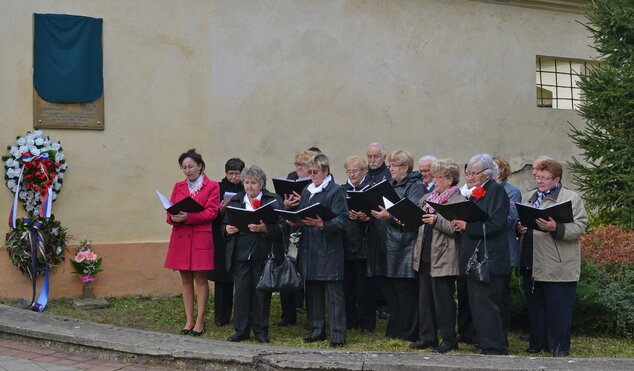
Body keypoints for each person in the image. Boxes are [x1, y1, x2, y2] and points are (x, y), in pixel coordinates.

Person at [517, 160, 587, 356]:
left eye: (544, 178)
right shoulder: (530, 196)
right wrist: (519, 227)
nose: (539, 181)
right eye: (537, 177)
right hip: (531, 261)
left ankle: (558, 347)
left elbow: (580, 227)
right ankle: (537, 343)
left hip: (557, 265)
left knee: (558, 310)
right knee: (536, 308)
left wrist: (557, 228)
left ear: (557, 179)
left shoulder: (571, 198)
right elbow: (523, 220)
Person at [451, 154, 510, 355]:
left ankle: (495, 346)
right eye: (467, 173)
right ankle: (484, 342)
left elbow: (496, 224)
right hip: (475, 256)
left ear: (487, 174)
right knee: (478, 304)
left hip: (490, 258)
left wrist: (467, 225)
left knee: (488, 304)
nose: (469, 177)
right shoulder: (474, 192)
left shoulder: (496, 191)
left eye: (473, 173)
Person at [223, 165, 288, 343]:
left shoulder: (273, 200)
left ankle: (261, 331)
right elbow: (224, 224)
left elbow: (284, 226)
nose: (249, 186)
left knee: (261, 294)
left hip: (263, 254)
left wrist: (265, 228)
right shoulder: (236, 200)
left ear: (261, 184)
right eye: (246, 182)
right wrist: (227, 229)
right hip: (240, 253)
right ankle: (241, 330)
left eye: (253, 183)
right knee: (242, 293)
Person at [371, 150, 426, 341]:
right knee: (390, 290)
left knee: (405, 292)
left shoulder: (415, 186)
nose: (391, 169)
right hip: (386, 243)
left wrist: (390, 216)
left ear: (405, 167)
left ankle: (409, 331)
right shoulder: (389, 185)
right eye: (390, 165)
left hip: (405, 245)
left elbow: (412, 215)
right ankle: (394, 328)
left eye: (394, 165)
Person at [164, 149, 219, 336]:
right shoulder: (178, 186)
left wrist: (189, 217)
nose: (187, 170)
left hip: (200, 236)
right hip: (181, 236)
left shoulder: (211, 186)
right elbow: (169, 211)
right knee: (185, 279)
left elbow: (212, 212)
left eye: (191, 166)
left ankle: (201, 319)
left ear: (200, 166)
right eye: (184, 167)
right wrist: (173, 218)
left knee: (201, 280)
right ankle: (189, 319)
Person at [412, 159, 464, 353]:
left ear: (450, 179)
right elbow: (417, 220)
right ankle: (428, 337)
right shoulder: (428, 197)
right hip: (425, 254)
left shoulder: (458, 200)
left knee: (443, 301)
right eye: (433, 176)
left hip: (444, 257)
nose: (434, 181)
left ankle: (449, 339)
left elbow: (456, 228)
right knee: (425, 300)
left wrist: (436, 220)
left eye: (437, 177)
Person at [296, 154, 348, 347]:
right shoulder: (306, 191)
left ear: (326, 171)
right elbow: (302, 215)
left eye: (315, 172)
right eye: (309, 172)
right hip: (310, 247)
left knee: (333, 294)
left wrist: (323, 224)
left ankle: (338, 335)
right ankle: (316, 330)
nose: (312, 175)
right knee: (313, 291)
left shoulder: (335, 191)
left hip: (329, 248)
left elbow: (342, 219)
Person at [208, 158, 245, 327]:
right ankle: (221, 317)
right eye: (231, 173)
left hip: (241, 236)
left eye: (237, 173)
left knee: (240, 279)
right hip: (222, 237)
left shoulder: (247, 187)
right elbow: (212, 215)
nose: (234, 177)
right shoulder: (218, 187)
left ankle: (240, 315)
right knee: (222, 278)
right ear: (225, 173)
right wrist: (220, 210)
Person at [341, 155, 376, 333]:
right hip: (346, 242)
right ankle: (350, 321)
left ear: (364, 171)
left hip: (365, 243)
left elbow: (378, 216)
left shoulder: (371, 189)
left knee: (365, 288)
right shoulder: (341, 190)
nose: (352, 174)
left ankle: (366, 323)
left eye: (355, 171)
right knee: (347, 286)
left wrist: (365, 217)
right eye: (349, 171)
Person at [493, 156, 522, 337]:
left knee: (501, 294)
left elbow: (510, 219)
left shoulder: (511, 192)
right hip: (488, 248)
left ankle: (502, 330)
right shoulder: (481, 190)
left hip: (505, 248)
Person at [365, 142, 391, 320]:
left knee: (383, 268)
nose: (372, 160)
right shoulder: (365, 174)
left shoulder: (387, 176)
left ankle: (384, 305)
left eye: (376, 157)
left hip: (384, 226)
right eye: (370, 157)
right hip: (368, 226)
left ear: (384, 158)